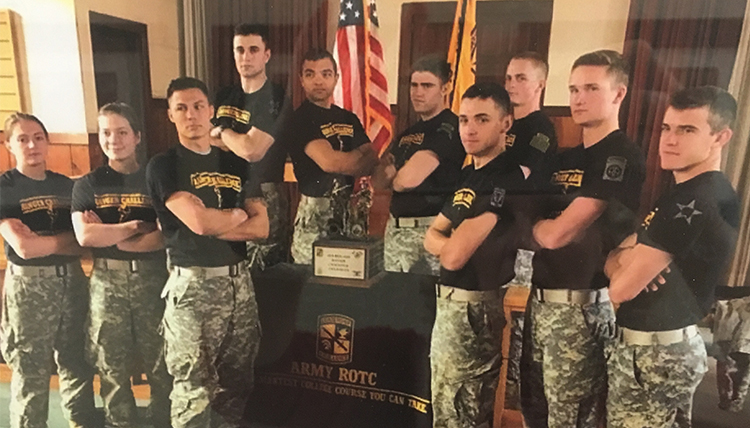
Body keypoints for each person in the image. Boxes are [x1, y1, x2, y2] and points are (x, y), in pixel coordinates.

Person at [605, 86, 740, 427]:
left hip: (655, 355)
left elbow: (620, 289)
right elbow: (620, 259)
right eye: (666, 128)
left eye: (687, 130)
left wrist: (624, 258)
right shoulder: (695, 191)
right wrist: (627, 256)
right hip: (665, 347)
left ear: (720, 137)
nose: (669, 139)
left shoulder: (690, 201)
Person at [527, 50, 645, 427]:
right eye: (574, 89)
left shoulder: (620, 156)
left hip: (581, 307)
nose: (578, 98)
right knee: (534, 410)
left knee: (571, 417)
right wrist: (539, 227)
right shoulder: (564, 158)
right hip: (540, 301)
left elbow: (559, 232)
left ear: (618, 94)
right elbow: (529, 218)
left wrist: (542, 227)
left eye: (591, 88)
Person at [146, 77, 269, 428]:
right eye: (181, 108)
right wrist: (235, 214)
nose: (191, 115)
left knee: (237, 384)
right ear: (171, 115)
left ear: (211, 112)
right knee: (193, 390)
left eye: (199, 106)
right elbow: (197, 222)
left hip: (239, 288)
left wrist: (217, 222)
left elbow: (261, 228)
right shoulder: (164, 166)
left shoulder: (236, 164)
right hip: (193, 292)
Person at [424, 82, 525, 428]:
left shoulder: (504, 179)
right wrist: (449, 242)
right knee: (446, 406)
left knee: (460, 413)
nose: (469, 128)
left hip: (472, 310)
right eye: (464, 119)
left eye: (482, 119)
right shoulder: (471, 174)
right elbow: (432, 236)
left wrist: (448, 243)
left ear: (506, 123)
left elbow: (452, 257)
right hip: (453, 305)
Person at [71, 102, 171, 428]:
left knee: (160, 364)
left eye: (122, 132)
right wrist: (131, 229)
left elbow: (162, 236)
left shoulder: (154, 178)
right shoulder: (88, 184)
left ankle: (161, 422)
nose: (114, 139)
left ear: (137, 136)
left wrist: (108, 233)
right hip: (106, 285)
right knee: (111, 367)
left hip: (151, 280)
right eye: (106, 132)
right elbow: (85, 235)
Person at [0, 113, 97, 428]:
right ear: (9, 144)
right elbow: (24, 248)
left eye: (38, 137)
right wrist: (66, 240)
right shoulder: (5, 187)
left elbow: (86, 244)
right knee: (31, 368)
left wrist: (47, 241)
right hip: (30, 290)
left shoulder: (68, 186)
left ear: (48, 141)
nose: (32, 145)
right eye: (23, 139)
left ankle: (79, 421)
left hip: (72, 282)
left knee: (76, 360)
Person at [372, 55, 465, 276]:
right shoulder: (409, 133)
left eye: (427, 86)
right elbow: (378, 181)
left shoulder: (450, 127)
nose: (418, 92)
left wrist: (396, 171)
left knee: (425, 305)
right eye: (414, 85)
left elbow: (407, 180)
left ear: (445, 88)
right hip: (396, 231)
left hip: (429, 231)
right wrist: (398, 172)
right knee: (394, 302)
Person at [504, 51, 557, 428]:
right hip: (497, 238)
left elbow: (513, 177)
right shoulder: (502, 124)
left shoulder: (540, 129)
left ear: (540, 84)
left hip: (522, 241)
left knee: (517, 334)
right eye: (508, 78)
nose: (511, 85)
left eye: (521, 78)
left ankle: (516, 414)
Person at [287, 49, 378, 264]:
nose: (318, 80)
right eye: (310, 74)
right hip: (315, 219)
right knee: (312, 290)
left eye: (326, 74)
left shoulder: (349, 118)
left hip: (349, 214)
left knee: (345, 289)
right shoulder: (300, 119)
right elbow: (330, 162)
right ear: (301, 80)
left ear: (336, 78)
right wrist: (358, 156)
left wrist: (352, 161)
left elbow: (373, 159)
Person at [212, 23, 290, 270]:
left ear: (267, 55)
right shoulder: (224, 95)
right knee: (229, 269)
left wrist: (223, 131)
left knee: (265, 276)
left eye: (253, 50)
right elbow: (202, 140)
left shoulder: (276, 97)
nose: (246, 57)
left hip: (263, 194)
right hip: (226, 189)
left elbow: (252, 150)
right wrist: (236, 140)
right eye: (240, 50)